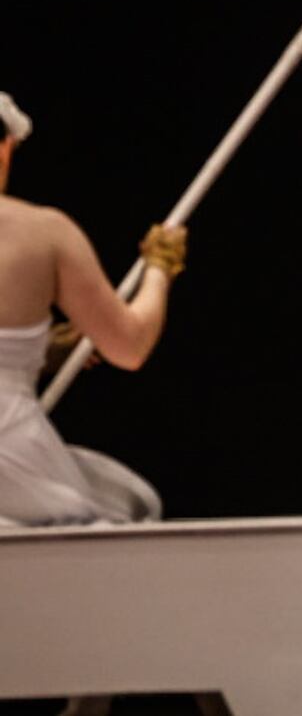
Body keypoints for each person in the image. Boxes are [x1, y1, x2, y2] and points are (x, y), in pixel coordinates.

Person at [0, 91, 188, 526]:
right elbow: (130, 346)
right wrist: (159, 267)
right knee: (127, 508)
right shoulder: (44, 232)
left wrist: (42, 350)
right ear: (7, 146)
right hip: (15, 454)